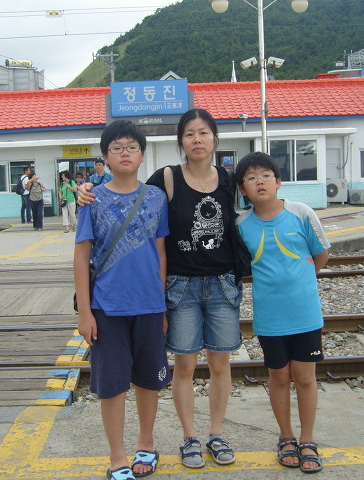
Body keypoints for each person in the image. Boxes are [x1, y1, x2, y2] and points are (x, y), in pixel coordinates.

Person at [78, 108, 243, 469]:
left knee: (213, 365)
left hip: (213, 286)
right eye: (189, 133)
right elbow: (88, 245)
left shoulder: (228, 180)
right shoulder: (165, 179)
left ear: (215, 138)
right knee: (178, 367)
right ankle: (181, 439)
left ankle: (205, 435)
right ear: (180, 141)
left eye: (204, 132)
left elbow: (260, 193)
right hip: (171, 290)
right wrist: (84, 188)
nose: (197, 139)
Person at [74, 119, 170, 480]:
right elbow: (81, 256)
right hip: (107, 308)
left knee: (148, 381)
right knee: (112, 387)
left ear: (142, 155)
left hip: (149, 306)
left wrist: (162, 304)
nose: (125, 153)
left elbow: (161, 253)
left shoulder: (156, 197)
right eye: (116, 148)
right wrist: (85, 313)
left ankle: (146, 444)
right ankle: (117, 457)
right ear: (105, 157)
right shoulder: (92, 199)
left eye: (132, 147)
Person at [235, 152, 330, 474]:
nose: (259, 182)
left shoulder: (301, 213)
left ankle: (307, 439)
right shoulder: (241, 225)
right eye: (251, 178)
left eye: (265, 175)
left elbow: (321, 254)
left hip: (305, 312)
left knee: (305, 378)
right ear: (243, 190)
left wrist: (300, 282)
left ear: (278, 181)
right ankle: (286, 437)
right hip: (270, 316)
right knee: (278, 377)